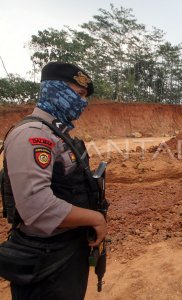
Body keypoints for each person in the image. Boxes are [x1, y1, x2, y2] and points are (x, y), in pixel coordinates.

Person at [1, 62, 107, 299]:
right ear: (55, 90)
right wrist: (95, 218)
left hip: (63, 251)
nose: (83, 103)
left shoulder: (55, 132)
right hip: (45, 258)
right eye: (78, 94)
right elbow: (36, 206)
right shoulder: (33, 135)